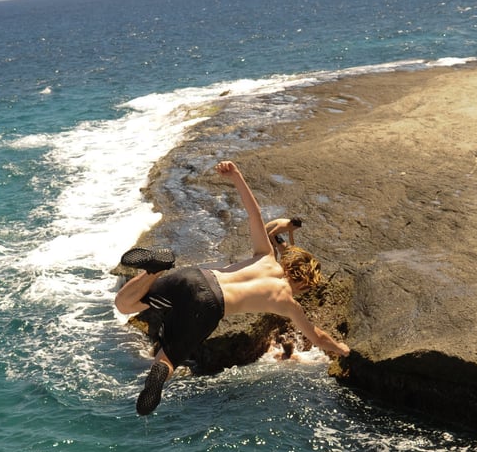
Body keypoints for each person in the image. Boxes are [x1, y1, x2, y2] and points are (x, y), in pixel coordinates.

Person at [115, 161, 349, 415]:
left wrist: (236, 174)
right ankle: (159, 375)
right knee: (167, 357)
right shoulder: (288, 304)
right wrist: (341, 349)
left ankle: (156, 268)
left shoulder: (265, 256)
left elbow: (255, 214)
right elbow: (316, 337)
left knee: (125, 304)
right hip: (210, 303)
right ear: (303, 282)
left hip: (194, 276)